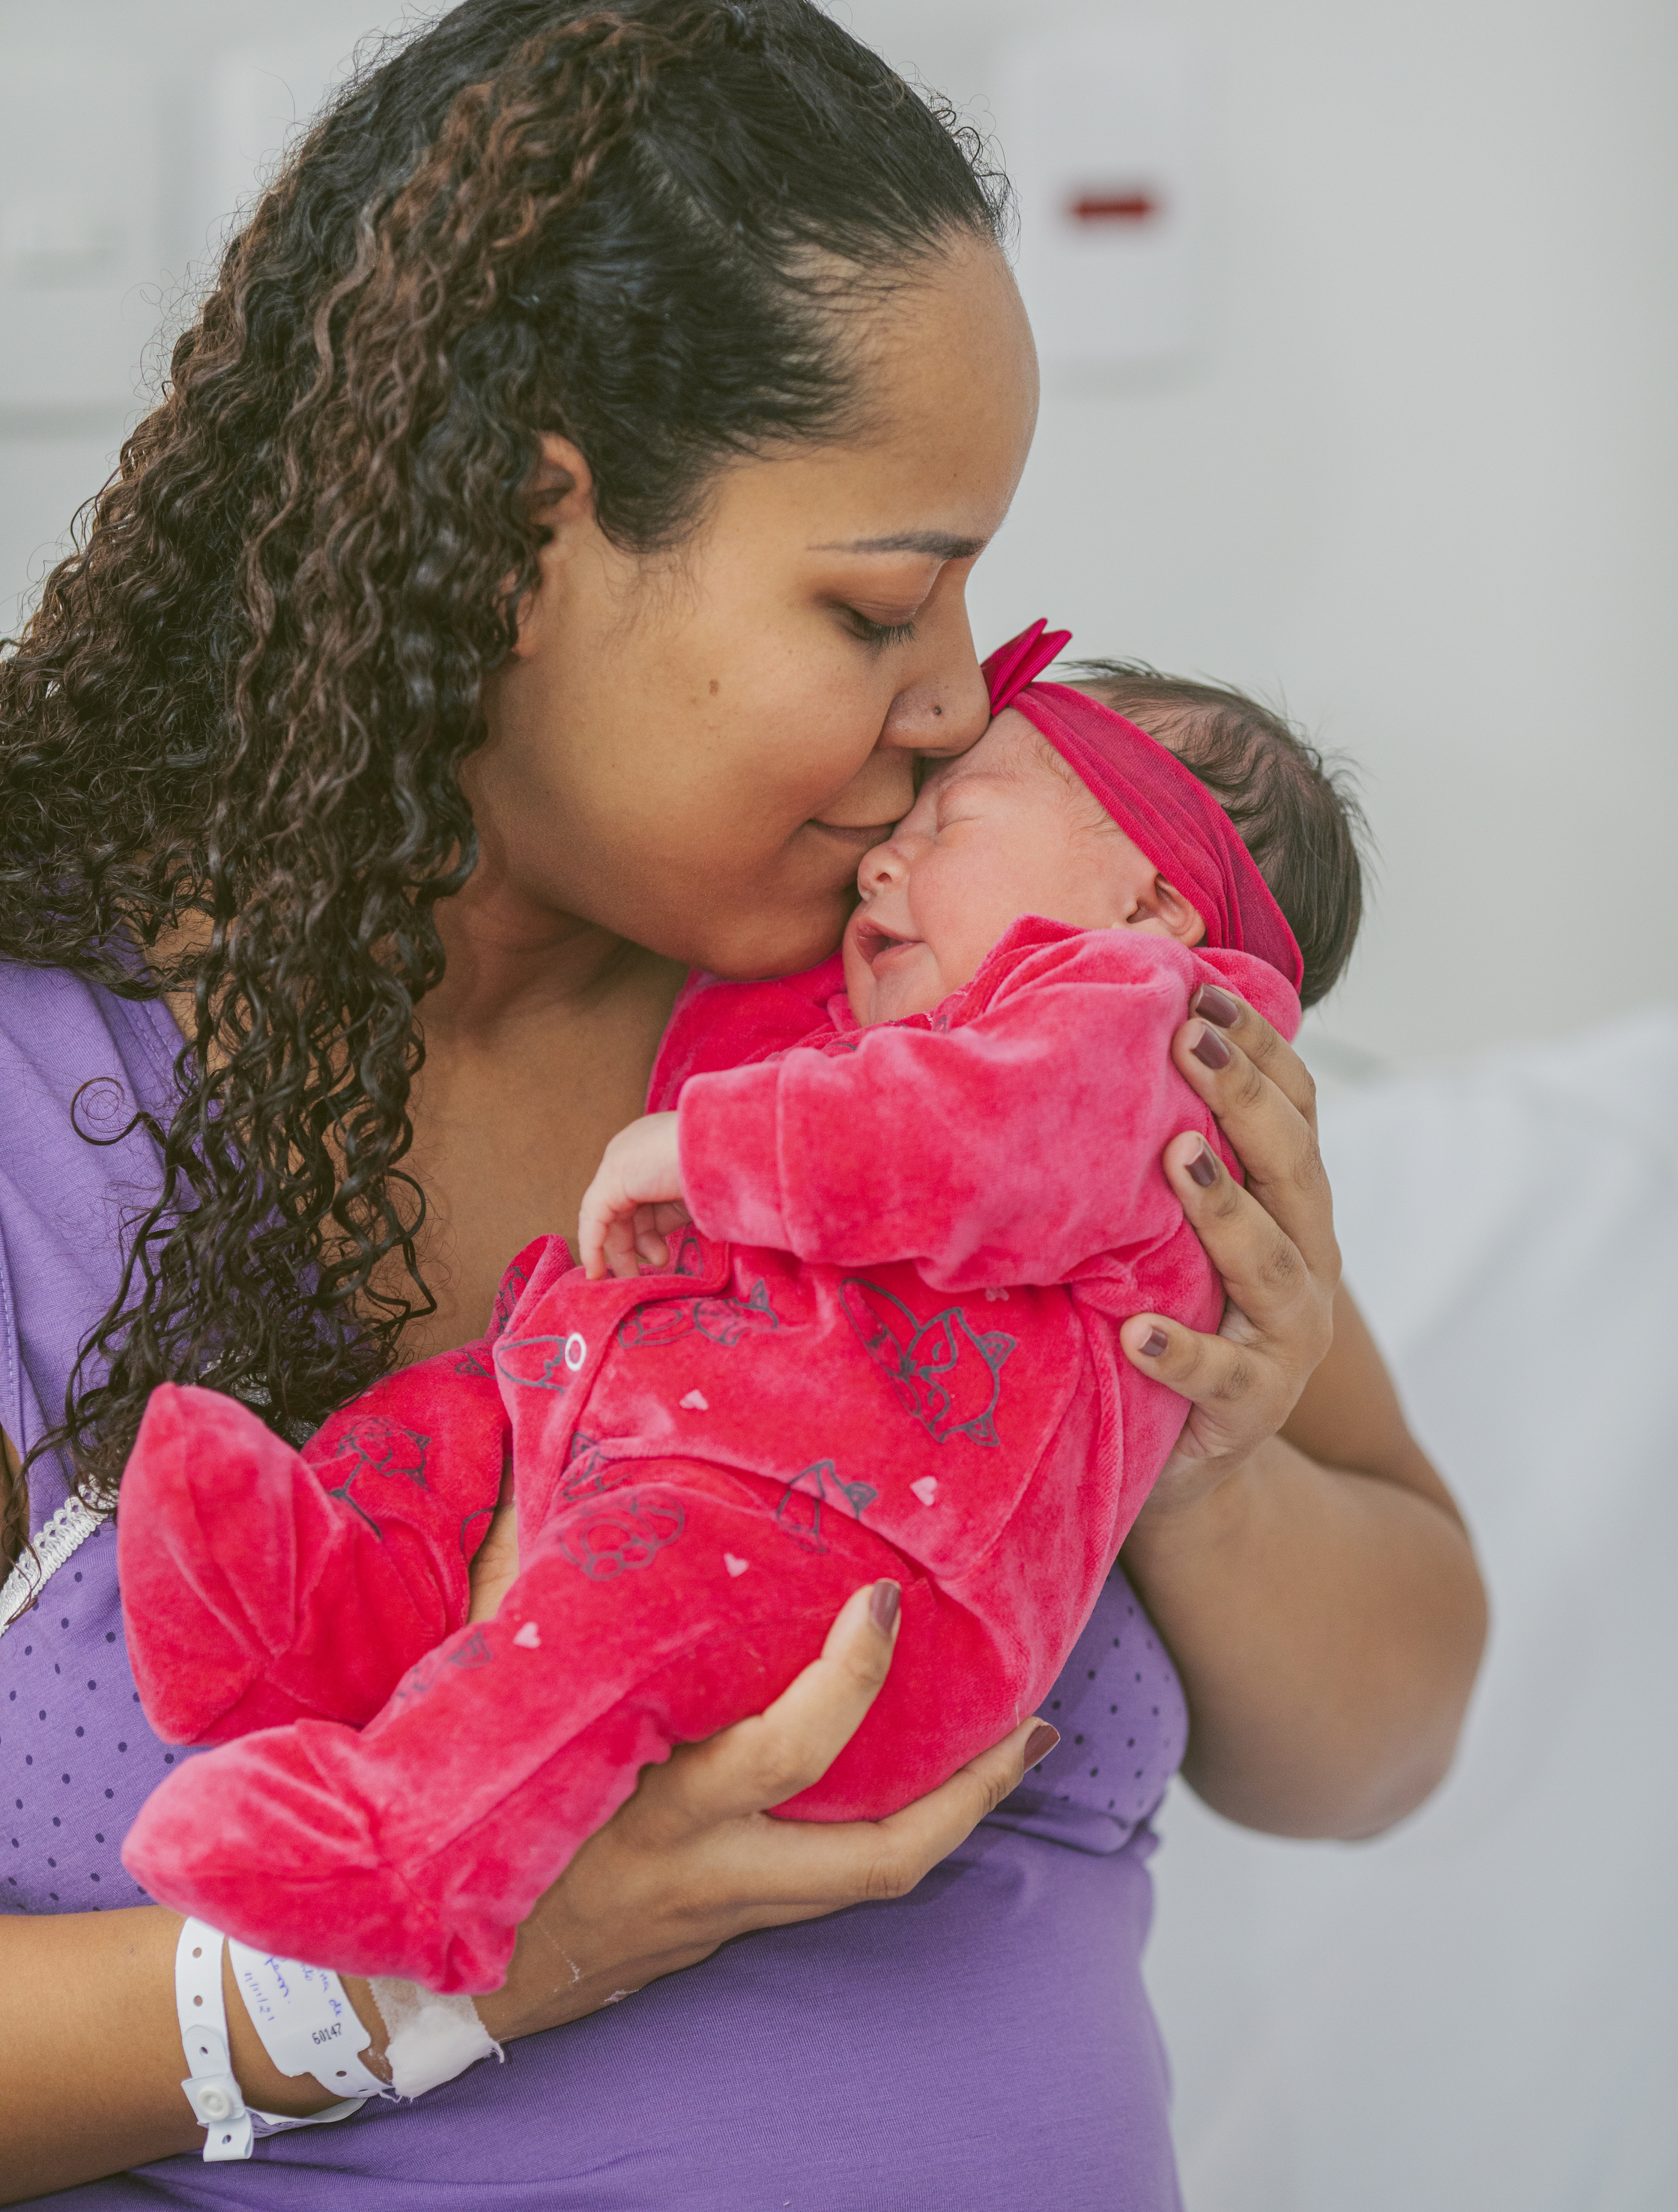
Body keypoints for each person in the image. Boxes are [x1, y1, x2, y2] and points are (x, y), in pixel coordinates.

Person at [0, 0, 1488, 2209]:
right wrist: (415, 1981)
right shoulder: (41, 1104)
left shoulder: (948, 1011)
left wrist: (1189, 1442)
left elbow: (1382, 1745)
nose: (959, 702)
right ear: (522, 536)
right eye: (880, 610)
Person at [116, 645, 1359, 1999]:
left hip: (851, 1554)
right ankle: (326, 1615)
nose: (886, 854)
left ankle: (418, 1850)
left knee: (631, 1600)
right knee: (460, 1412)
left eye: (949, 823)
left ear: (1158, 905)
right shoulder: (858, 984)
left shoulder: (1149, 1031)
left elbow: (969, 1143)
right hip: (689, 1428)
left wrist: (708, 1151)